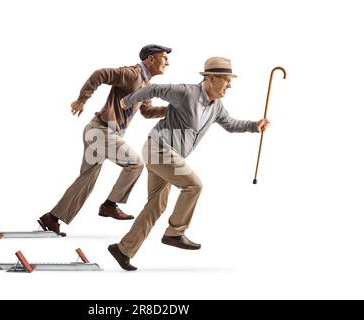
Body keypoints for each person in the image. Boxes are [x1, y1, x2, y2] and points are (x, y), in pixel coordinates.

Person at [108, 57, 270, 270]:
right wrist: (127, 101)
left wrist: (254, 126)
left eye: (230, 80)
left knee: (156, 205)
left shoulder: (216, 107)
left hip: (170, 155)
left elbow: (230, 124)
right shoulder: (186, 92)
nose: (230, 85)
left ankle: (123, 249)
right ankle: (175, 233)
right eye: (226, 80)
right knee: (194, 185)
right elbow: (154, 88)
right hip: (159, 148)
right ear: (210, 79)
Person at [38, 45, 172, 236]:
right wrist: (82, 100)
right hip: (100, 131)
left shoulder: (147, 85)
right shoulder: (132, 74)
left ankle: (51, 218)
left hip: (100, 132)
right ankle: (110, 205)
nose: (167, 62)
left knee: (86, 181)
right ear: (151, 59)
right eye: (164, 58)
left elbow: (147, 112)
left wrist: (171, 110)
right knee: (135, 163)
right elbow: (100, 74)